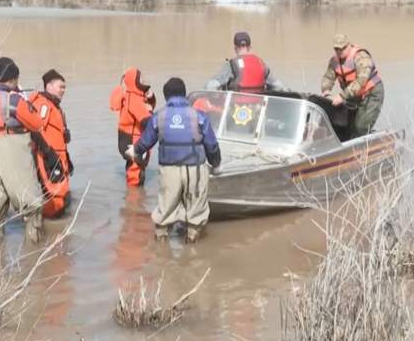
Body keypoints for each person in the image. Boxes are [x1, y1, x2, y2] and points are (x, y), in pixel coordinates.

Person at [126, 78, 222, 243]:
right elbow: (211, 145)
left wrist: (134, 151)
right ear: (184, 95)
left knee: (166, 207)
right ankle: (192, 245)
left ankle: (162, 246)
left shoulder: (159, 117)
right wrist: (216, 164)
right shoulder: (199, 116)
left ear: (165, 96)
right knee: (195, 208)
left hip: (169, 170)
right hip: (195, 170)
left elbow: (146, 141)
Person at [0, 57, 47, 243]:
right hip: (13, 152)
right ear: (12, 80)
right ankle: (34, 256)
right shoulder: (14, 100)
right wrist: (24, 99)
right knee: (31, 206)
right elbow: (37, 123)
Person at [322, 33, 385, 139]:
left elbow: (361, 80)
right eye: (337, 49)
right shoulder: (334, 61)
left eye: (342, 48)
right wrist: (326, 90)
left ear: (349, 46)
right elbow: (328, 77)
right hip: (353, 95)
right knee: (343, 124)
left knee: (360, 127)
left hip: (371, 93)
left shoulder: (361, 57)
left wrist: (342, 96)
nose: (339, 52)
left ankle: (363, 147)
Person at [28, 69, 73, 219]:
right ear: (49, 86)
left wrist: (68, 159)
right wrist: (49, 154)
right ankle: (35, 220)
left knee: (63, 198)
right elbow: (36, 129)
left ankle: (56, 234)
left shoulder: (55, 106)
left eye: (64, 88)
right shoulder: (43, 104)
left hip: (59, 158)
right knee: (56, 200)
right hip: (48, 157)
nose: (63, 91)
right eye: (61, 87)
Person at [110, 68, 156, 187]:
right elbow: (146, 120)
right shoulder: (134, 98)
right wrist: (158, 126)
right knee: (135, 171)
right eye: (141, 77)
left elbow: (147, 109)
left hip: (131, 139)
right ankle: (134, 201)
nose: (143, 79)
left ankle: (134, 199)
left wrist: (150, 98)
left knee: (135, 168)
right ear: (134, 81)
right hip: (133, 140)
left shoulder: (134, 96)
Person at [205, 31, 287, 94]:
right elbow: (278, 87)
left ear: (235, 48)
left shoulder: (231, 65)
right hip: (258, 108)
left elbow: (211, 86)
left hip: (235, 110)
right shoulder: (261, 64)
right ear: (249, 47)